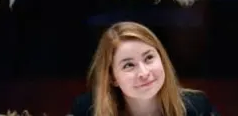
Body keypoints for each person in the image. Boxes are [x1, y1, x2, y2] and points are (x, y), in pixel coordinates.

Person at [71, 21, 219, 116]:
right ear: (112, 77)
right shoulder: (86, 110)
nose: (144, 73)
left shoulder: (198, 107)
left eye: (149, 58)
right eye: (128, 65)